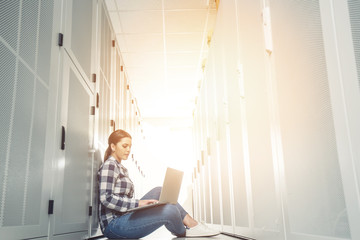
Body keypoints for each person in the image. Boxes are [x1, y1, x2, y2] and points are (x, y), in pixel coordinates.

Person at [98, 129, 220, 238]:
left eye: (130, 146)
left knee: (159, 190)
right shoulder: (110, 165)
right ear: (113, 146)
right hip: (114, 225)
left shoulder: (121, 167)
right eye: (124, 146)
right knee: (170, 210)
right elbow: (106, 198)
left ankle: (192, 225)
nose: (128, 150)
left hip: (124, 216)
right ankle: (187, 230)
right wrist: (138, 203)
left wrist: (140, 205)